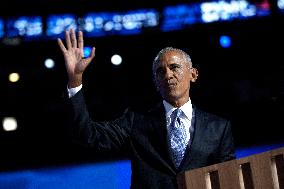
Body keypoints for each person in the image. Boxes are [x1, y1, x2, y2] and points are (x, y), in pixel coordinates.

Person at [57, 29, 236, 188]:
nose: (168, 75)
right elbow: (88, 136)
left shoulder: (219, 128)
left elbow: (230, 180)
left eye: (174, 67)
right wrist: (75, 80)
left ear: (193, 74)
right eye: (160, 71)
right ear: (156, 83)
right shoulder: (136, 121)